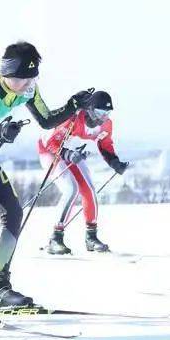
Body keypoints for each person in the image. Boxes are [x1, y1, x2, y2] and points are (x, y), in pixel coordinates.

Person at [0, 41, 93, 318]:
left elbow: (46, 121)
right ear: (5, 74)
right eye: (21, 78)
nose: (26, 84)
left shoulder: (27, 88)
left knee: (12, 211)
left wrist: (73, 105)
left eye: (32, 77)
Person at [41, 91, 129, 255]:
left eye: (107, 113)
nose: (103, 117)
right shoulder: (73, 119)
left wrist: (115, 162)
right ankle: (55, 238)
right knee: (71, 189)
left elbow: (105, 144)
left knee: (88, 190)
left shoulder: (106, 124)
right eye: (100, 112)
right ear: (89, 109)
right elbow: (50, 142)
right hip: (51, 151)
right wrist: (67, 154)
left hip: (74, 153)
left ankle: (91, 237)